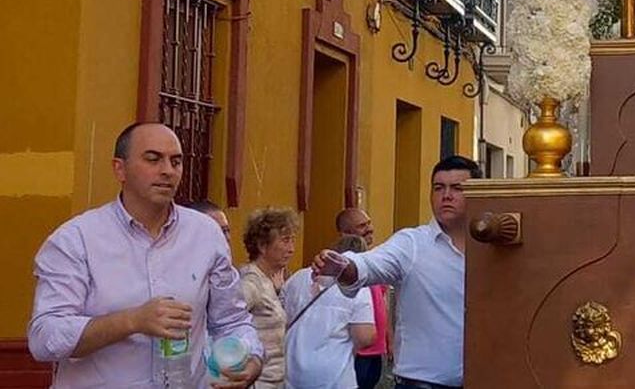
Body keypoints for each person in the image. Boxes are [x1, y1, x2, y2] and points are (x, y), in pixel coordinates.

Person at [28, 122, 263, 387]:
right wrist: (132, 320)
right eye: (153, 159)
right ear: (120, 168)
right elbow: (44, 339)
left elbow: (232, 320)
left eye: (176, 162)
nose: (167, 171)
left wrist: (251, 358)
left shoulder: (206, 234)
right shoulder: (76, 240)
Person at [313, 155, 482, 389]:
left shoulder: (493, 247)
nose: (446, 196)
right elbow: (370, 264)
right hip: (422, 384)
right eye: (438, 188)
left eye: (457, 188)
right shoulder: (412, 244)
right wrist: (344, 266)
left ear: (478, 193)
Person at [283, 236, 377, 389]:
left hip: (291, 373)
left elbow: (282, 319)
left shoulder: (297, 277)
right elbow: (365, 337)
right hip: (334, 377)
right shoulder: (357, 286)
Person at [239, 207, 297, 389]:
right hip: (259, 382)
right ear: (262, 246)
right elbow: (228, 319)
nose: (292, 249)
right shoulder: (251, 282)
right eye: (285, 241)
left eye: (292, 241)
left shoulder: (268, 280)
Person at [337, 207, 389, 389]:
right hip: (357, 353)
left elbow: (383, 304)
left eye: (369, 223)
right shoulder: (342, 270)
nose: (370, 229)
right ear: (346, 234)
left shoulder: (376, 262)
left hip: (377, 351)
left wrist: (389, 343)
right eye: (362, 226)